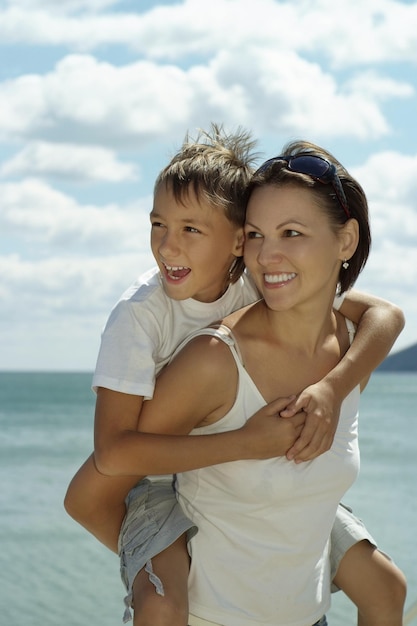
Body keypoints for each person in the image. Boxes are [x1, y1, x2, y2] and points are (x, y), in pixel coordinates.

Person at [64, 127, 406, 626]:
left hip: (298, 591)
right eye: (158, 224)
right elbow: (108, 462)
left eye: (291, 233)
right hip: (164, 496)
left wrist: (333, 388)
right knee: (160, 605)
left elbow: (387, 315)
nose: (167, 247)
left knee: (387, 587)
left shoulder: (266, 290)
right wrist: (246, 444)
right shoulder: (149, 320)